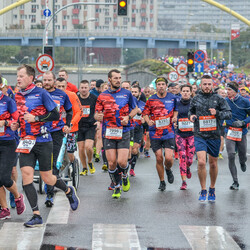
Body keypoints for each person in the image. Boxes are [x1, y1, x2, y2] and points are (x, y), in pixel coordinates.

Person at [14, 65, 79, 227]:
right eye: (17, 76)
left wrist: (36, 119)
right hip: (26, 141)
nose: (18, 79)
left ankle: (69, 191)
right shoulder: (17, 96)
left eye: (21, 76)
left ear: (30, 78)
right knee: (27, 177)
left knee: (47, 178)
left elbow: (56, 114)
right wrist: (15, 124)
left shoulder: (41, 93)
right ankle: (36, 215)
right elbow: (18, 116)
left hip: (43, 140)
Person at [95, 69, 137, 198]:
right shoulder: (102, 96)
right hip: (108, 132)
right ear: (109, 79)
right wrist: (98, 116)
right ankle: (117, 186)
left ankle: (124, 176)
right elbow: (96, 114)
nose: (118, 80)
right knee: (111, 162)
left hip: (123, 131)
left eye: (119, 78)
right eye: (115, 78)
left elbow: (135, 109)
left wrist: (128, 117)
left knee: (122, 162)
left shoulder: (127, 94)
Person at [189, 75, 232, 202]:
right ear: (200, 85)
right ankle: (203, 189)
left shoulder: (218, 98)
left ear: (212, 85)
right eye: (204, 84)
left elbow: (228, 114)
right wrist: (191, 117)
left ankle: (212, 188)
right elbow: (190, 112)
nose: (207, 86)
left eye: (209, 84)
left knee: (213, 163)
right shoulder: (196, 98)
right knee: (201, 162)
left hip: (214, 135)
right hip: (200, 135)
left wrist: (217, 113)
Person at [42, 71, 73, 207]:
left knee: (52, 163)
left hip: (56, 132)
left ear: (54, 81)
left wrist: (67, 124)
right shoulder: (38, 94)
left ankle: (50, 194)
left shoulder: (62, 95)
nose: (47, 82)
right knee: (44, 163)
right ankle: (51, 185)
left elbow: (69, 110)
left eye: (49, 80)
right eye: (45, 80)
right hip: (41, 131)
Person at [143, 77, 178, 191]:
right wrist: (149, 121)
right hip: (155, 133)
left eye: (163, 84)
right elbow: (145, 114)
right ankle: (162, 181)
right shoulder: (151, 99)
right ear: (156, 86)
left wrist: (175, 117)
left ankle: (168, 169)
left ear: (166, 86)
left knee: (168, 158)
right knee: (159, 158)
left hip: (169, 132)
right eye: (159, 84)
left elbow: (176, 110)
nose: (161, 86)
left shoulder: (172, 98)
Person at [0, 80, 26, 220]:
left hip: (7, 142)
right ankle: (5, 209)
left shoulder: (8, 101)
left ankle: (17, 196)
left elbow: (17, 120)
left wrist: (5, 122)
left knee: (5, 177)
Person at [225, 81, 250, 190]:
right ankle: (235, 181)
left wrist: (244, 122)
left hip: (242, 132)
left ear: (235, 91)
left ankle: (242, 161)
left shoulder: (244, 101)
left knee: (242, 155)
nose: (227, 92)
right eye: (227, 90)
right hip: (229, 131)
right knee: (231, 155)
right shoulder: (225, 101)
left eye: (229, 90)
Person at [55, 77, 82, 167]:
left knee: (70, 153)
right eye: (59, 86)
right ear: (55, 86)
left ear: (66, 86)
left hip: (71, 128)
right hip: (57, 128)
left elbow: (79, 112)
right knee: (56, 152)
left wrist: (71, 123)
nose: (61, 88)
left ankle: (73, 165)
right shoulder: (51, 96)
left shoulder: (72, 95)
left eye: (63, 86)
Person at [175, 84, 195, 190]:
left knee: (189, 159)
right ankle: (183, 182)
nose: (186, 93)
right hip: (180, 134)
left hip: (192, 135)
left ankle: (188, 167)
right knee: (182, 156)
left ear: (191, 92)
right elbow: (173, 115)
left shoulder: (194, 103)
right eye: (184, 91)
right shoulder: (177, 103)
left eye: (188, 91)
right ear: (181, 92)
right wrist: (174, 122)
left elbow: (199, 115)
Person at [77, 80, 98, 176]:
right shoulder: (76, 98)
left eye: (85, 87)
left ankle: (90, 161)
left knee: (88, 147)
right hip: (79, 126)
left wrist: (98, 121)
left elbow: (99, 110)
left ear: (89, 88)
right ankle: (84, 168)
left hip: (90, 125)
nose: (84, 89)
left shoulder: (94, 98)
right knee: (81, 149)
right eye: (82, 87)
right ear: (79, 88)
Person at [130, 85, 145, 176]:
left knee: (134, 150)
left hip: (138, 130)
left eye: (135, 92)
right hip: (129, 129)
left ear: (139, 93)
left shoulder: (142, 103)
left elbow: (140, 110)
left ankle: (132, 169)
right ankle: (126, 166)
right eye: (132, 92)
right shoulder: (127, 102)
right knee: (129, 149)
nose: (133, 94)